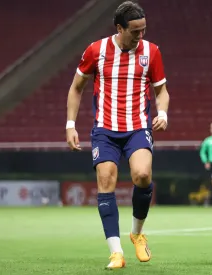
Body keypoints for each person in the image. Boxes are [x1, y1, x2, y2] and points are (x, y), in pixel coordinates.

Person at [65, 1, 170, 269]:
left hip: (137, 126)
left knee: (143, 176)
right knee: (106, 180)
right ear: (119, 28)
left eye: (144, 30)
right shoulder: (96, 50)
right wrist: (70, 124)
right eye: (135, 31)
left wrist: (163, 113)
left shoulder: (152, 52)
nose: (140, 36)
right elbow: (76, 88)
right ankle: (116, 252)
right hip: (105, 130)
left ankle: (136, 232)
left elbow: (161, 91)